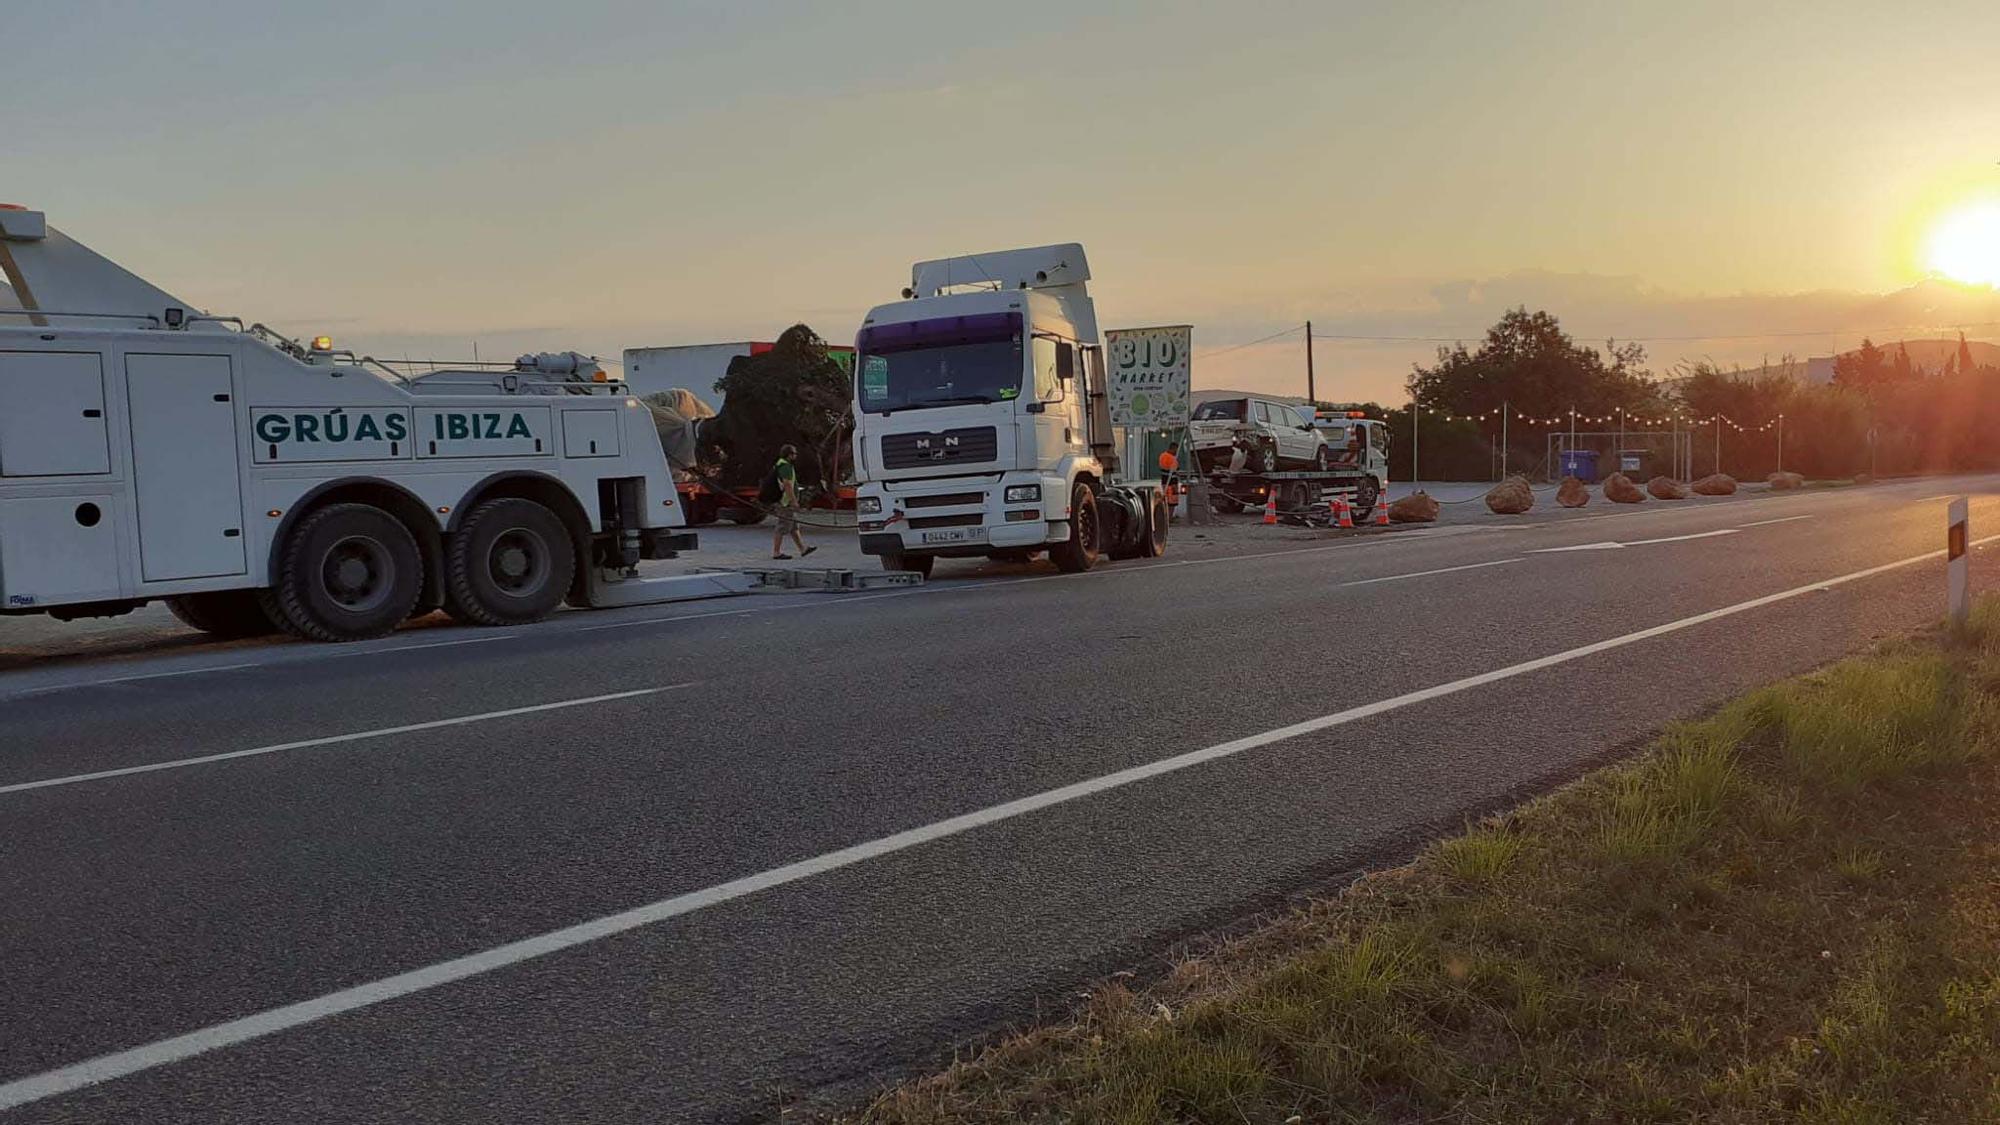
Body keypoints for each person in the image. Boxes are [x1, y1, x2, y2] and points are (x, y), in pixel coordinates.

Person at [770, 444, 817, 561]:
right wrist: (794, 501)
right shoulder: (785, 467)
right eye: (794, 453)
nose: (796, 456)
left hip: (786, 501)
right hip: (786, 502)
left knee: (794, 526)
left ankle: (803, 549)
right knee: (782, 526)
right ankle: (776, 552)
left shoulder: (782, 464)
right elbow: (787, 485)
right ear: (789, 455)